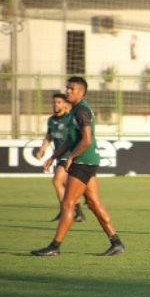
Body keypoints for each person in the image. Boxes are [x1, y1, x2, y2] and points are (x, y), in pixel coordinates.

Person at [31, 76, 126, 257]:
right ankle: (116, 243)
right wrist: (53, 156)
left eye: (72, 89)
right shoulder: (74, 111)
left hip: (83, 161)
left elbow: (87, 139)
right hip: (87, 161)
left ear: (82, 92)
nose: (68, 91)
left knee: (68, 204)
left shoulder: (81, 111)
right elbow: (70, 140)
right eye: (67, 88)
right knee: (93, 203)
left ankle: (54, 247)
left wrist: (71, 158)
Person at [35, 93, 86, 223]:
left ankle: (65, 211)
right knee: (67, 185)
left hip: (70, 156)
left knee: (57, 181)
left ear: (65, 104)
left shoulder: (70, 118)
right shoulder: (51, 120)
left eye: (59, 102)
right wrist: (42, 149)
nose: (56, 105)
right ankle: (78, 213)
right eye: (54, 102)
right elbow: (49, 136)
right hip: (59, 156)